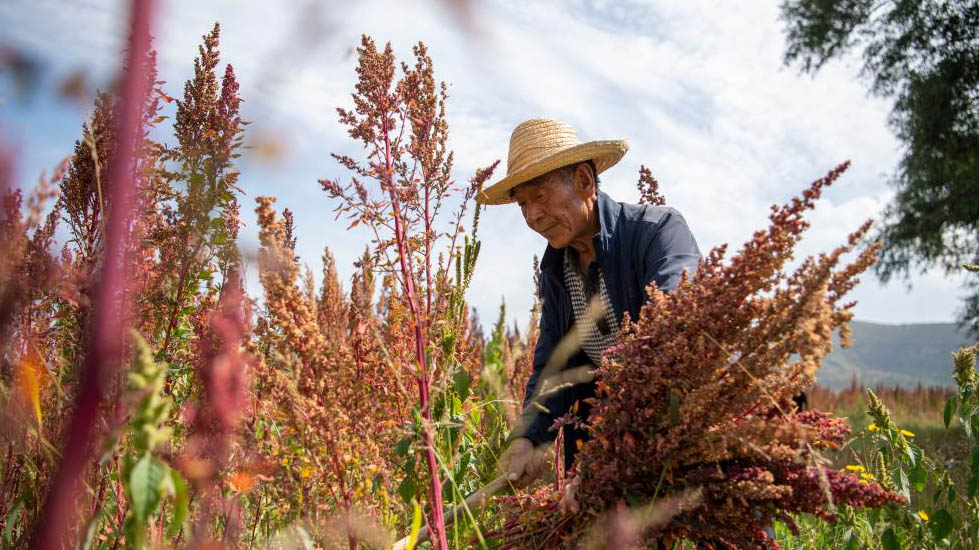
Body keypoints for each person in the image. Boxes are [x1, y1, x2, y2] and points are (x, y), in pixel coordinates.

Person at [475, 118, 703, 503]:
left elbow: (667, 339)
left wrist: (604, 459)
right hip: (618, 437)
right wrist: (528, 438)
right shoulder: (557, 272)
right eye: (523, 204)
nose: (532, 216)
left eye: (540, 196)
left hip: (689, 422)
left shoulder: (659, 232)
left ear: (583, 180)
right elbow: (553, 365)